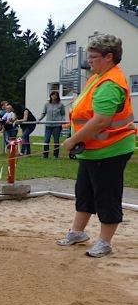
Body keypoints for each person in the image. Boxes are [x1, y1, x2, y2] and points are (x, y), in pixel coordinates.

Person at [58, 34, 136, 258]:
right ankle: (77, 232)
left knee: (106, 195)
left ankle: (105, 242)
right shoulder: (96, 78)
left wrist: (73, 140)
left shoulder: (111, 83)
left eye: (93, 57)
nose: (88, 61)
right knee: (84, 192)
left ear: (109, 57)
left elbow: (101, 120)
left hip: (111, 149)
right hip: (91, 149)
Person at [39, 90, 66, 158]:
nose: (54, 96)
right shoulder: (47, 104)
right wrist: (39, 119)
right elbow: (44, 113)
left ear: (57, 96)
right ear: (50, 96)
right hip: (48, 125)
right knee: (46, 140)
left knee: (56, 140)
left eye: (55, 95)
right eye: (52, 95)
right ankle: (45, 155)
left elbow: (63, 114)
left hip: (57, 126)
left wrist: (62, 121)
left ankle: (55, 155)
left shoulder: (61, 104)